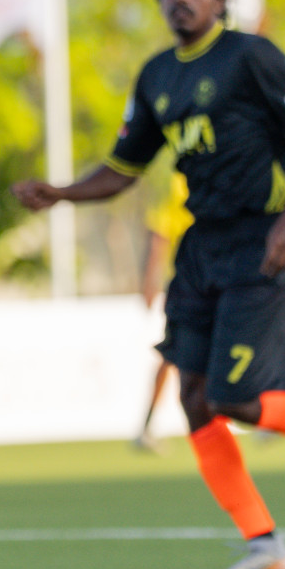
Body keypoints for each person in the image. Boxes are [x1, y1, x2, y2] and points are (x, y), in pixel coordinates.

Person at [13, 0, 285, 569]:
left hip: (260, 241)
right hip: (201, 249)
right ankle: (265, 545)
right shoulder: (157, 76)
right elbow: (122, 169)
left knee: (236, 398)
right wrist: (61, 193)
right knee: (194, 399)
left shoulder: (251, 56)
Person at [133, 172, 191, 452]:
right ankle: (148, 426)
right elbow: (159, 236)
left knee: (177, 357)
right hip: (189, 286)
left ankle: (148, 427)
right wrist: (149, 280)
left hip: (206, 284)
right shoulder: (179, 187)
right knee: (175, 354)